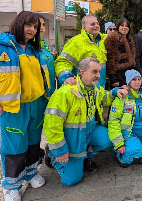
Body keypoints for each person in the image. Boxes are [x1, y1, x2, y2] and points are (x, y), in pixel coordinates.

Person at [0, 11, 53, 201]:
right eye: (28, 25)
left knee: (33, 142)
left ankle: (31, 173)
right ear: (18, 24)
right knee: (14, 147)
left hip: (37, 104)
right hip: (13, 107)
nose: (32, 30)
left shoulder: (35, 49)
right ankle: (10, 185)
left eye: (35, 27)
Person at [43, 57, 127, 186]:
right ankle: (52, 154)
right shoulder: (64, 93)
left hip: (88, 132)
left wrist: (116, 91)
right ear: (81, 72)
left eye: (99, 72)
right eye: (94, 71)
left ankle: (85, 156)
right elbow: (52, 124)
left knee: (110, 137)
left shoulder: (94, 89)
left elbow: (104, 98)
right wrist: (60, 149)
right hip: (72, 138)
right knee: (71, 180)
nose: (98, 75)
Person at [108, 69, 142, 167]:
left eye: (139, 79)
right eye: (134, 79)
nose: (137, 82)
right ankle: (120, 155)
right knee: (135, 155)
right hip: (128, 133)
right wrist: (118, 143)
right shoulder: (122, 97)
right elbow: (113, 121)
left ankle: (134, 147)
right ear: (129, 82)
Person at [54, 15, 108, 87]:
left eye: (97, 23)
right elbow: (62, 62)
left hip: (99, 89)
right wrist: (66, 77)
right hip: (82, 91)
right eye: (92, 24)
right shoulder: (76, 42)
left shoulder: (103, 41)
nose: (96, 26)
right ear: (84, 27)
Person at [105, 18, 136, 88]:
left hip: (129, 74)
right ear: (118, 27)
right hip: (118, 75)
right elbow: (110, 60)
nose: (124, 28)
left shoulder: (130, 40)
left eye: (126, 26)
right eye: (122, 25)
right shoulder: (112, 39)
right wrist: (113, 78)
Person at [39, 15, 56, 97]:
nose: (41, 27)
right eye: (38, 25)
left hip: (48, 90)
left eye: (43, 25)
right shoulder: (28, 46)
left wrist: (52, 56)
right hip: (39, 93)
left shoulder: (43, 44)